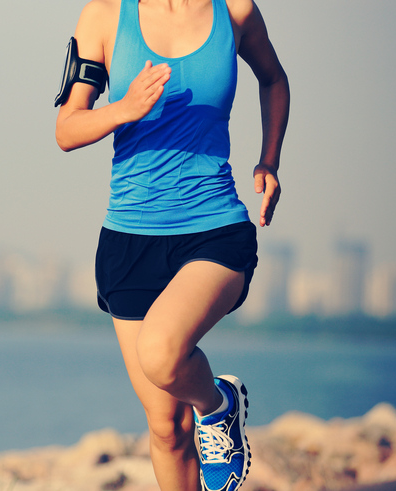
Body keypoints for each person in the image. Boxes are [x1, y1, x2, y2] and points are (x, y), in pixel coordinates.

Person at [54, 0, 289, 490]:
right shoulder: (104, 16)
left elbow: (273, 78)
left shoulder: (237, 12)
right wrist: (124, 109)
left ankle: (218, 403)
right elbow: (67, 130)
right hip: (130, 239)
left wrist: (269, 161)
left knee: (161, 354)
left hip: (214, 226)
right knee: (166, 428)